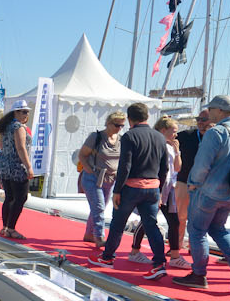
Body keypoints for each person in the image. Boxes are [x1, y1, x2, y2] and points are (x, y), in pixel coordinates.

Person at [175, 94, 230, 291]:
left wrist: (193, 183)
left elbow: (202, 164)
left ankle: (199, 273)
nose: (208, 113)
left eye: (211, 109)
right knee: (218, 229)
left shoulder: (216, 132)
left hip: (209, 191)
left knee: (197, 230)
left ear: (220, 111)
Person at [91, 102, 169, 278]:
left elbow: (125, 166)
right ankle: (159, 263)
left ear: (130, 119)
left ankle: (108, 257)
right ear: (147, 116)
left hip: (131, 187)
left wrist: (117, 190)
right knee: (151, 225)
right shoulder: (159, 137)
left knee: (118, 223)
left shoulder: (129, 136)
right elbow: (164, 168)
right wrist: (160, 189)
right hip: (153, 187)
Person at [128, 116, 183, 266]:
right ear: (164, 130)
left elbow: (177, 168)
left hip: (170, 187)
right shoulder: (156, 144)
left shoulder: (171, 146)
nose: (176, 135)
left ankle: (175, 255)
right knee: (148, 219)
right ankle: (134, 251)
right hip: (157, 186)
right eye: (174, 132)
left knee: (174, 221)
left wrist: (177, 151)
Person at [77, 111, 124, 245]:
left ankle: (89, 234)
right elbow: (82, 154)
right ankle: (99, 237)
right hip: (93, 177)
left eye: (121, 126)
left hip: (110, 179)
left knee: (98, 207)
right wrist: (89, 170)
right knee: (99, 207)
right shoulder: (96, 137)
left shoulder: (120, 140)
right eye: (116, 125)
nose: (119, 128)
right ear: (108, 123)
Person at [0, 100, 35, 240]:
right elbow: (21, 148)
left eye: (27, 111)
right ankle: (11, 228)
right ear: (16, 112)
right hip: (17, 167)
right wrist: (29, 167)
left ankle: (5, 226)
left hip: (5, 165)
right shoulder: (18, 127)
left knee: (9, 197)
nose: (26, 114)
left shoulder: (5, 127)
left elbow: (0, 145)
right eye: (23, 111)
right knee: (20, 197)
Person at [174, 108, 210, 254]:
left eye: (204, 119)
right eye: (198, 119)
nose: (200, 122)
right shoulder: (185, 135)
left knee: (200, 220)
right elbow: (167, 139)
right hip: (184, 181)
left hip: (206, 184)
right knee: (180, 217)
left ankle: (195, 248)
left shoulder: (216, 138)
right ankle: (176, 246)